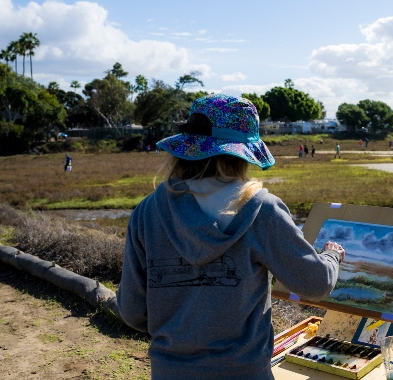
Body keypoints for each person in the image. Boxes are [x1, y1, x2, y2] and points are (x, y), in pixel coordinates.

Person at [116, 94, 345, 380]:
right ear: (242, 154)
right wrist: (331, 255)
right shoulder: (262, 209)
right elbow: (315, 283)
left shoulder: (147, 211)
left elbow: (132, 311)